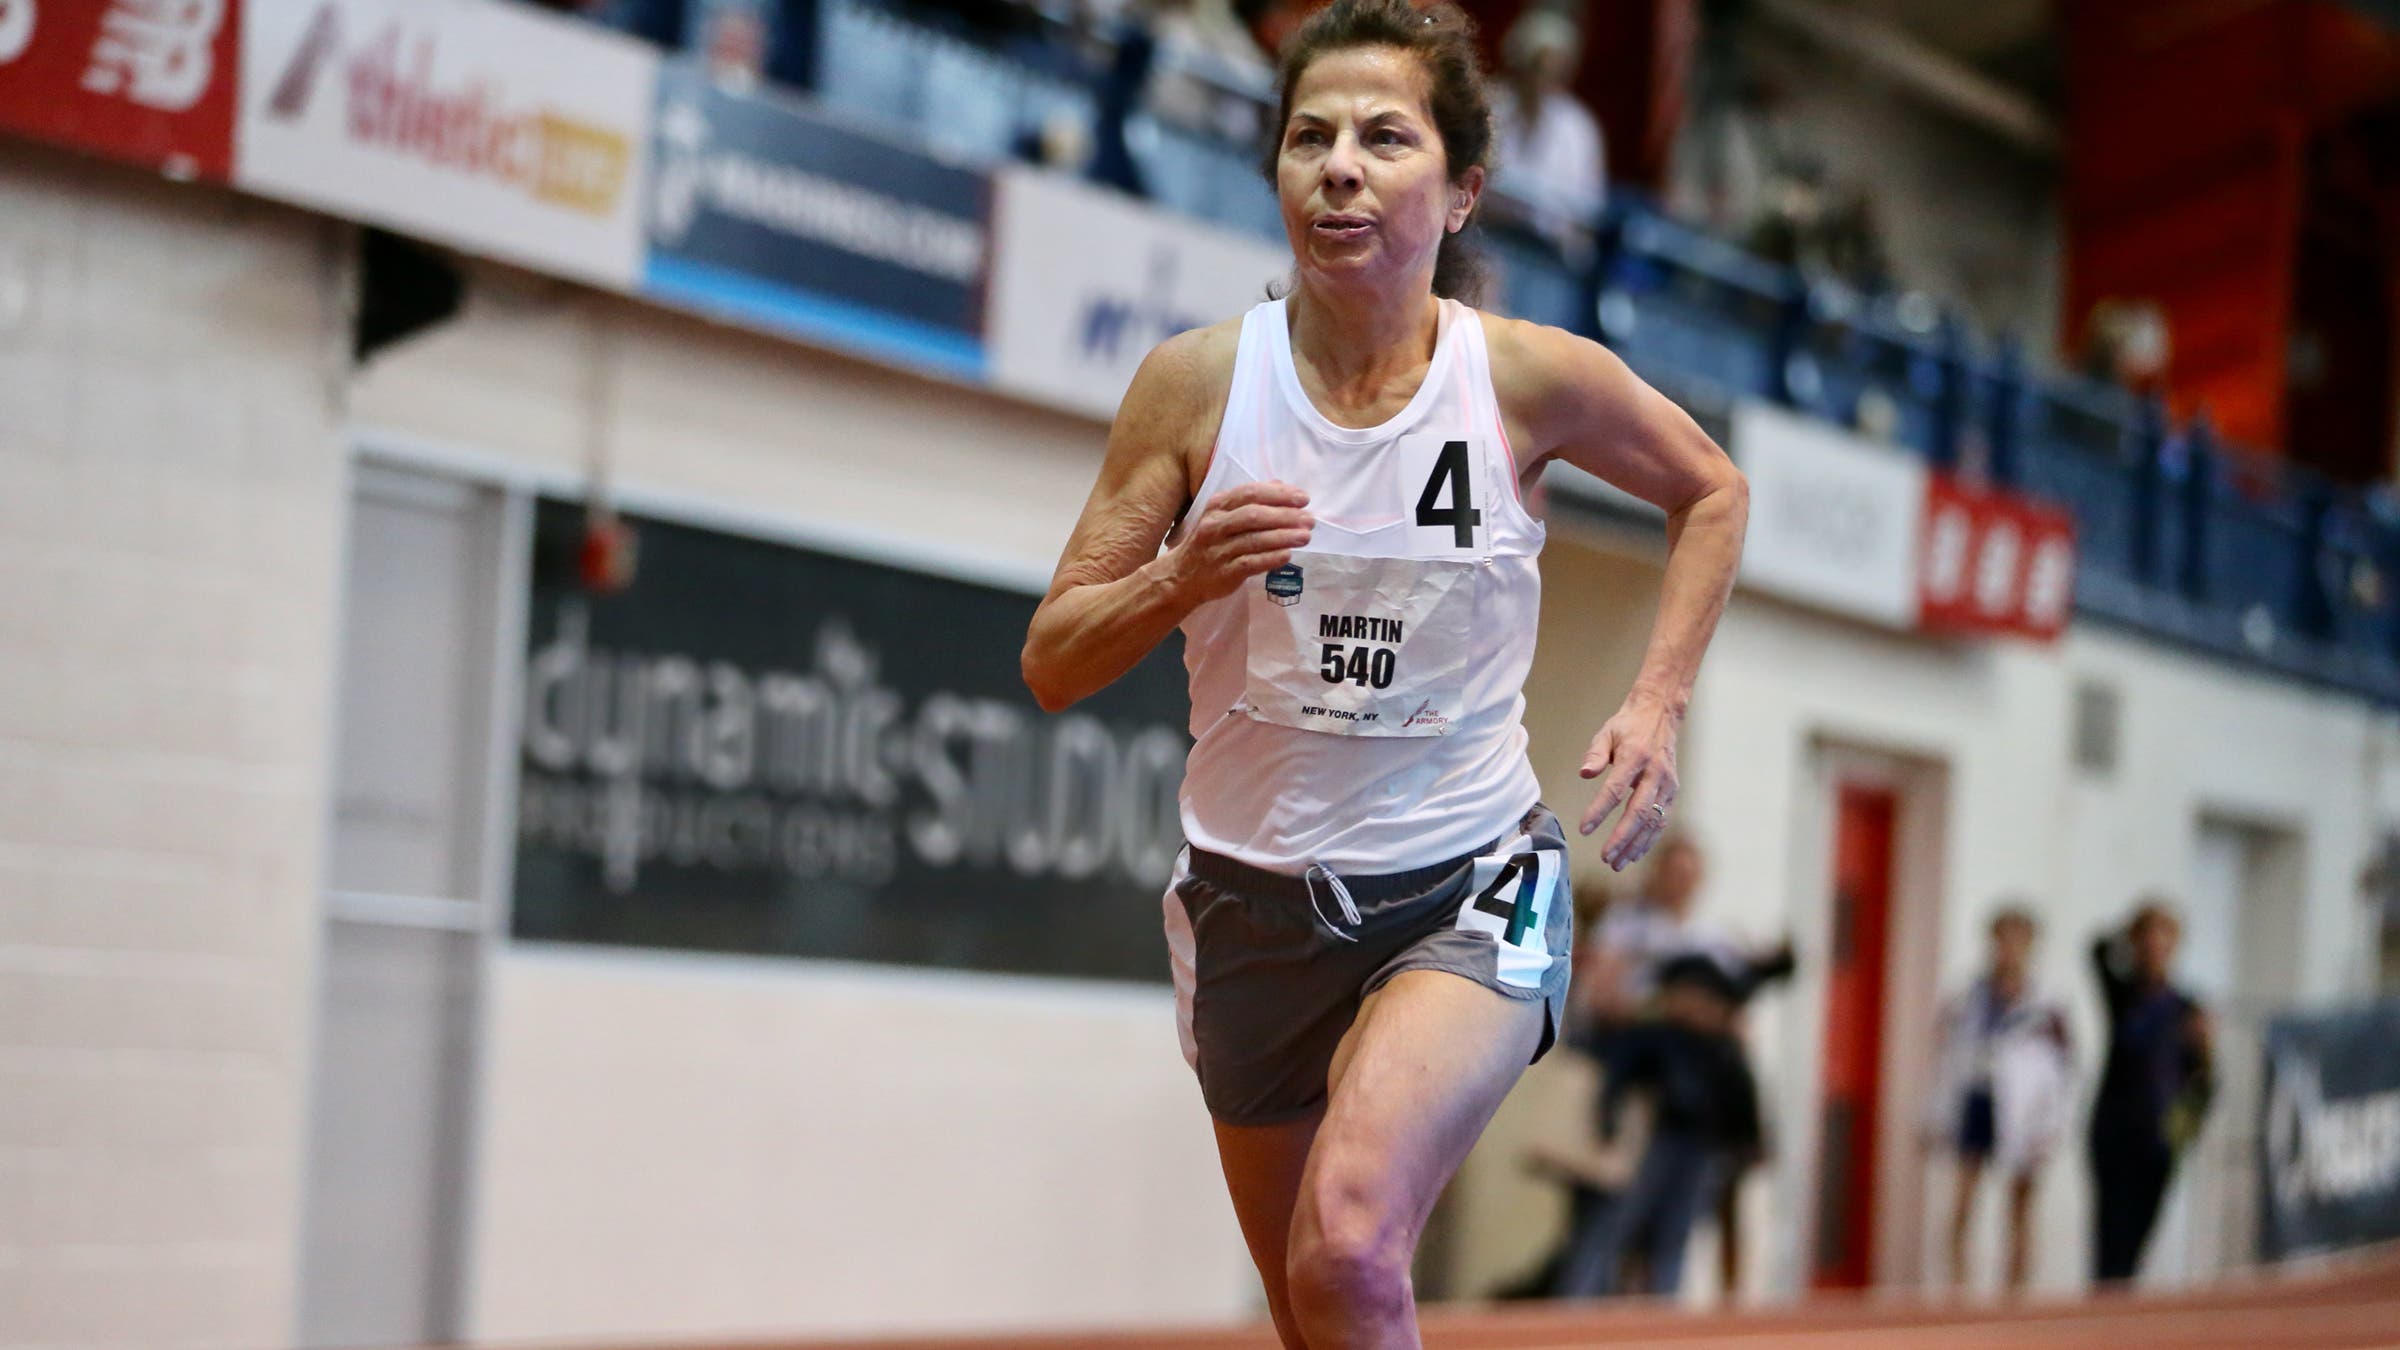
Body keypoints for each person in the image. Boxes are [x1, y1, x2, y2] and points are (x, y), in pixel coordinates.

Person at [1018, 2, 1750, 1342]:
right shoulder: (1197, 388)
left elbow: (1710, 488)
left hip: (1470, 879)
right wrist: (1180, 577)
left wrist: (1658, 699)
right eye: (1310, 138)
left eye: (1384, 138)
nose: (1340, 167)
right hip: (1251, 905)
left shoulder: (1520, 379)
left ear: (1463, 191)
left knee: (1350, 1244)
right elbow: (1053, 659)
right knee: (1314, 1305)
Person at [1544, 954, 1761, 1298]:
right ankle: (1579, 1298)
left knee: (1675, 1230)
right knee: (1615, 1224)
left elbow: (1738, 1098)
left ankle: (1662, 1302)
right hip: (1651, 1144)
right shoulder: (1653, 1035)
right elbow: (1614, 1075)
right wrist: (1607, 1124)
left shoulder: (1721, 1048)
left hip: (1700, 1149)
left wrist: (1746, 1142)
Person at [1924, 904, 2075, 1295]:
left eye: (2018, 941)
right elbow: (1944, 1060)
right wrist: (1934, 1114)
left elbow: (2064, 1071)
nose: (2009, 950)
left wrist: (2053, 1125)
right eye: (2002, 940)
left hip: (2024, 1113)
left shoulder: (2048, 1005)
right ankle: (1957, 1289)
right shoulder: (1967, 997)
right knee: (1962, 1203)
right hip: (1978, 1101)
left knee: (2020, 1209)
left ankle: (2015, 1293)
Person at [2087, 900, 2214, 1286]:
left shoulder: (2186, 1007)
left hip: (2159, 1137)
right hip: (2113, 1130)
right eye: (2148, 937)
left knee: (2139, 1235)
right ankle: (2103, 1306)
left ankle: (2120, 1304)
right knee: (2110, 1233)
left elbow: (2203, 1080)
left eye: (2164, 937)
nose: (2156, 946)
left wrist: (2183, 1133)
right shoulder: (2122, 992)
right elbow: (2096, 949)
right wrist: (2130, 929)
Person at [1488, 8, 1606, 261]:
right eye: (1539, 67)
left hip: (1549, 252)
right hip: (1488, 237)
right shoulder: (1491, 104)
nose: (1544, 79)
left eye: (1556, 70)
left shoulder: (1578, 127)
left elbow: (1587, 208)